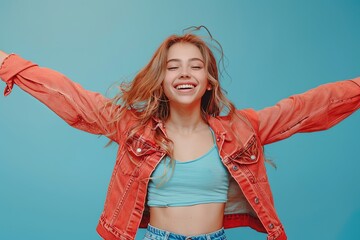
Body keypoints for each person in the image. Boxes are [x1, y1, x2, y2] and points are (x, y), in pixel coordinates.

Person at [0, 29, 359, 240]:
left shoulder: (241, 129)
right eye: (173, 66)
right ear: (162, 79)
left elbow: (307, 107)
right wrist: (7, 64)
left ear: (208, 81)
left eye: (195, 66)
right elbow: (72, 98)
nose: (184, 74)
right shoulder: (134, 128)